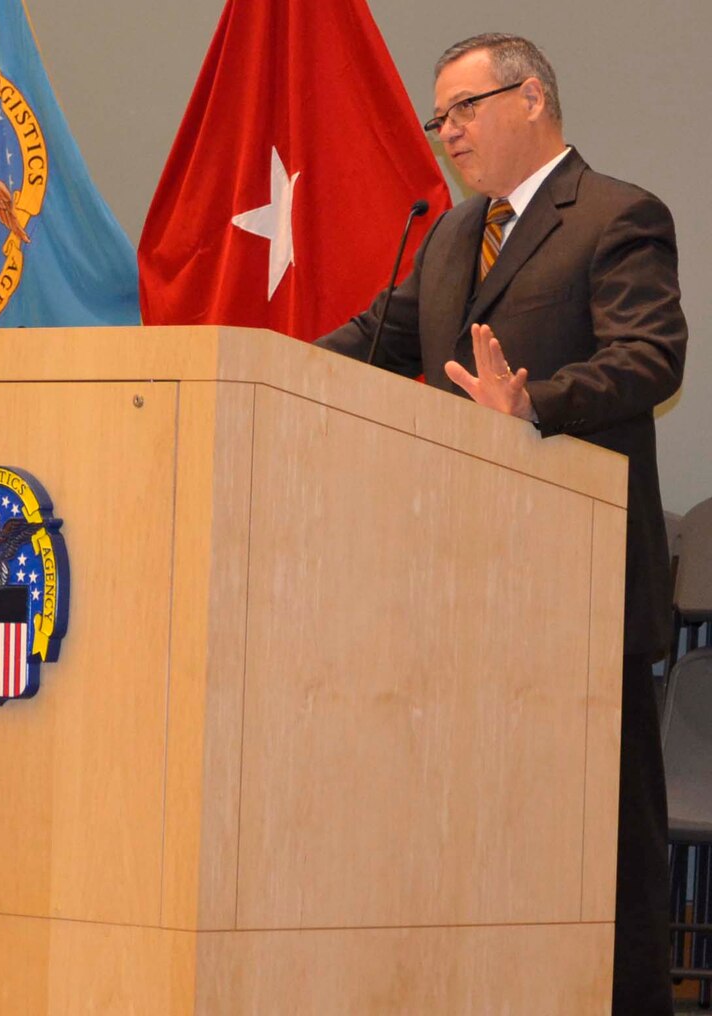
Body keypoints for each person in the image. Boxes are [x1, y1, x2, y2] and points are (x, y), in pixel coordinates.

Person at [316, 34, 687, 1014]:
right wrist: (251, 362)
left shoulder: (617, 215)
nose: (447, 133)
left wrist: (536, 403)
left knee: (604, 851)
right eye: (440, 118)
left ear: (531, 99)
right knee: (485, 837)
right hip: (462, 591)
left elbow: (652, 358)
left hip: (581, 588)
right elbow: (374, 339)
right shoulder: (449, 235)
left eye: (463, 109)